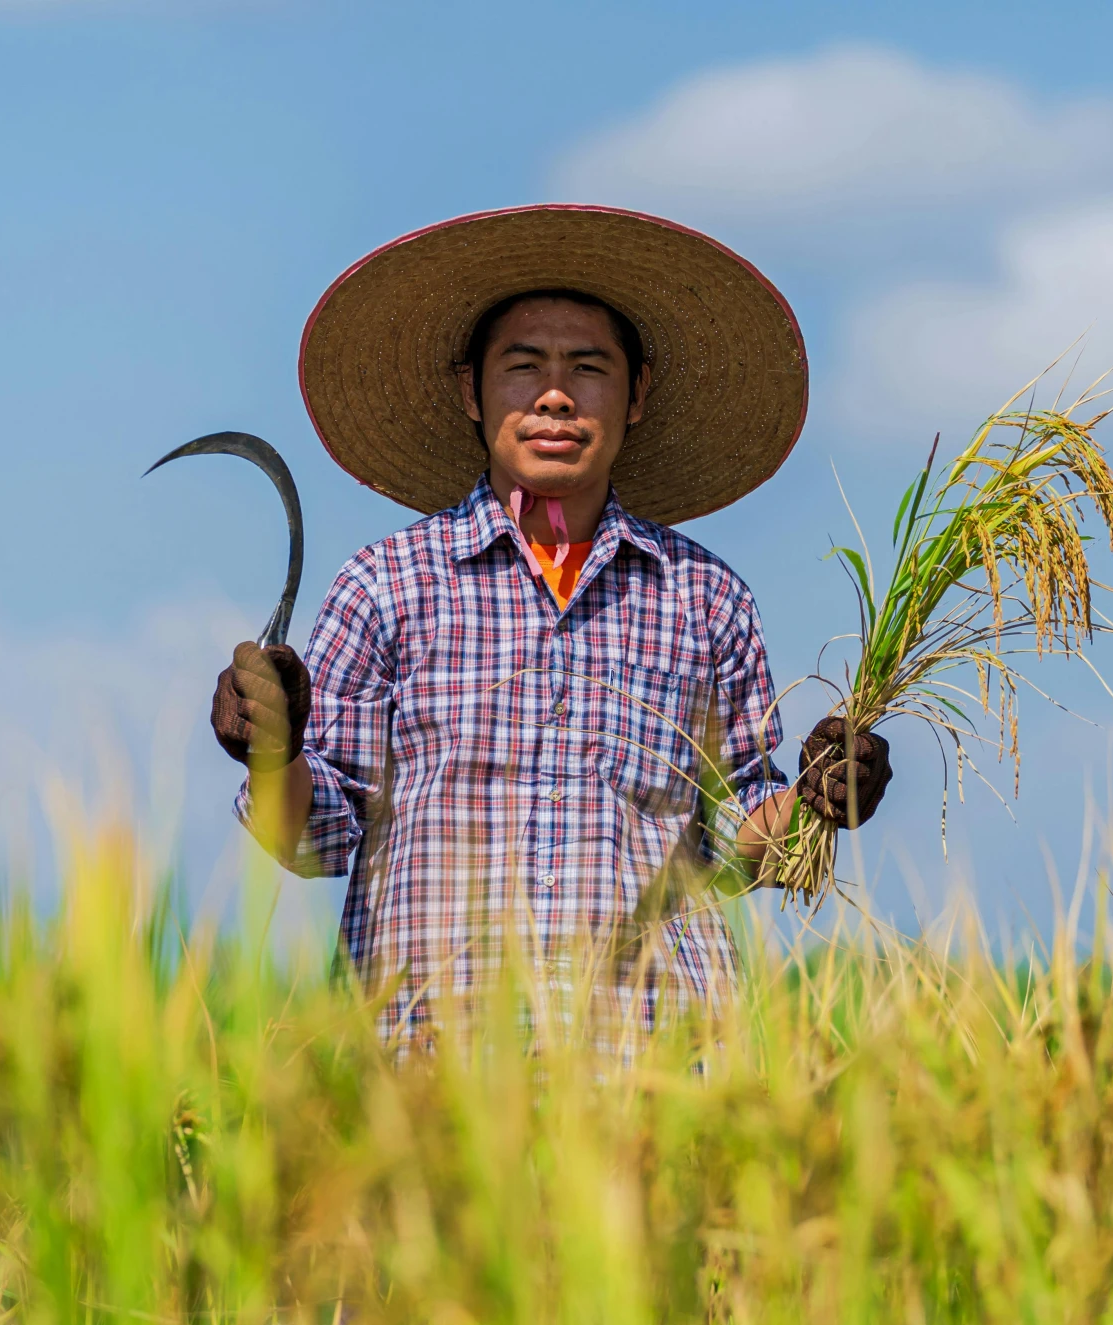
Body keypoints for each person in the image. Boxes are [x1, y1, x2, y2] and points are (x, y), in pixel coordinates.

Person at [209, 205, 891, 1031]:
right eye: (525, 365)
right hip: (435, 1067)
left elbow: (729, 846)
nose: (556, 395)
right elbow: (315, 839)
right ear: (472, 389)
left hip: (657, 1066)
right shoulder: (385, 587)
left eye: (589, 368)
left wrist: (817, 804)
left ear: (636, 394)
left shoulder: (704, 599)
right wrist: (274, 756)